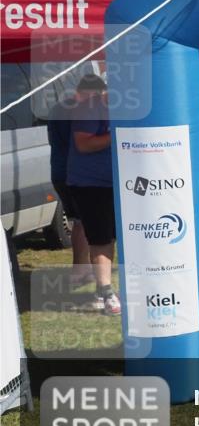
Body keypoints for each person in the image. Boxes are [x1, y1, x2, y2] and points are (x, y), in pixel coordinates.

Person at [66, 74, 121, 315]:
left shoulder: (120, 108)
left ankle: (102, 290)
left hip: (117, 183)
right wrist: (117, 134)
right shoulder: (89, 108)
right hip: (91, 184)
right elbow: (83, 144)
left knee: (111, 236)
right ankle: (106, 292)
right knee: (101, 237)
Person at [48, 77, 98, 308]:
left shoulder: (58, 108)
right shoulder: (79, 111)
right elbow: (82, 144)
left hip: (59, 172)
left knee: (79, 220)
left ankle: (82, 270)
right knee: (83, 222)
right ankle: (80, 271)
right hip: (75, 173)